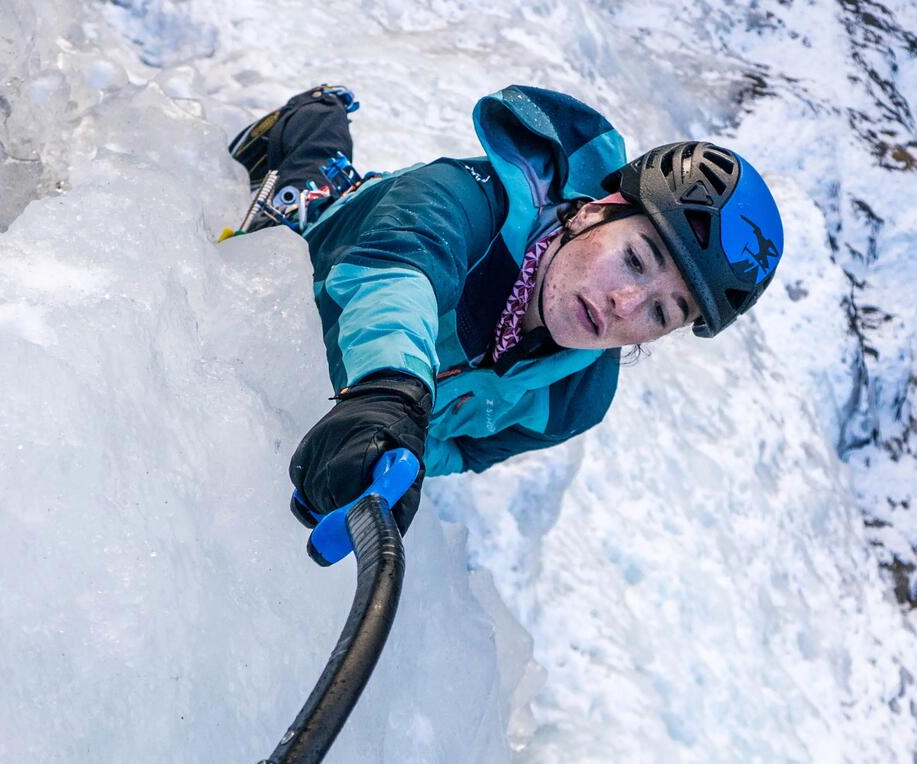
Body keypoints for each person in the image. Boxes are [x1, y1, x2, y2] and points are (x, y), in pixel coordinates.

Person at [225, 84, 785, 533]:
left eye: (663, 313)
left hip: (361, 400)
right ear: (598, 211)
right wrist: (390, 392)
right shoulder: (465, 197)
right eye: (637, 260)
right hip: (324, 258)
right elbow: (397, 273)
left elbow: (467, 449)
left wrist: (404, 450)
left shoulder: (574, 402)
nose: (626, 304)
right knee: (307, 188)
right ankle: (316, 111)